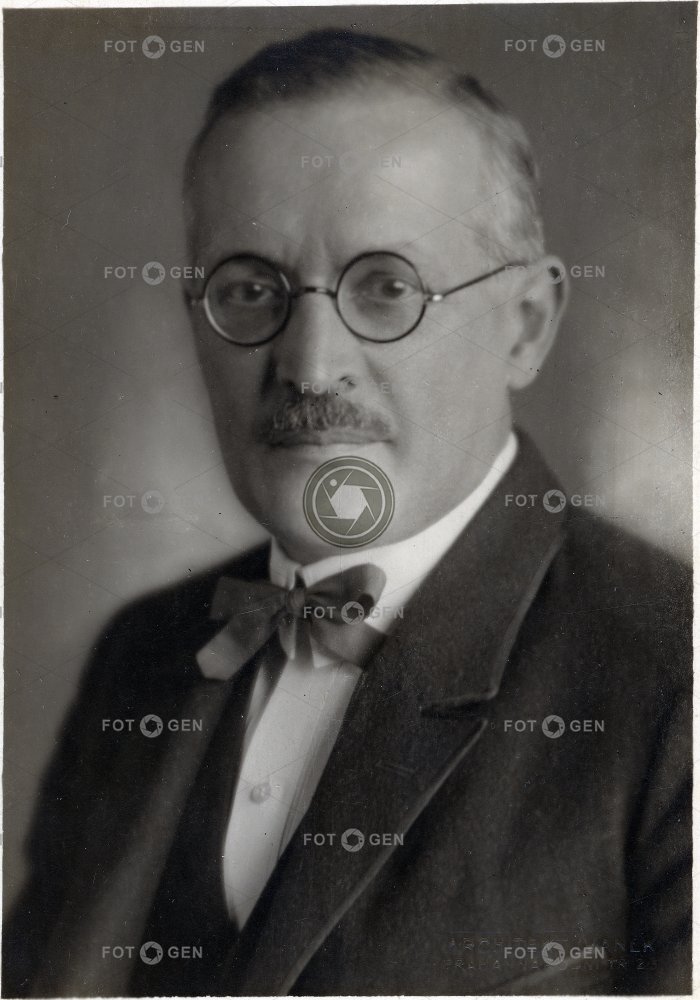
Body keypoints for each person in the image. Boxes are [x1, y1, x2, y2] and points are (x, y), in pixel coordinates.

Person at [3, 28, 690, 997]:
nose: (311, 364)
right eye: (251, 289)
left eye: (387, 288)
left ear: (526, 326)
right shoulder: (142, 655)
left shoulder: (674, 677)